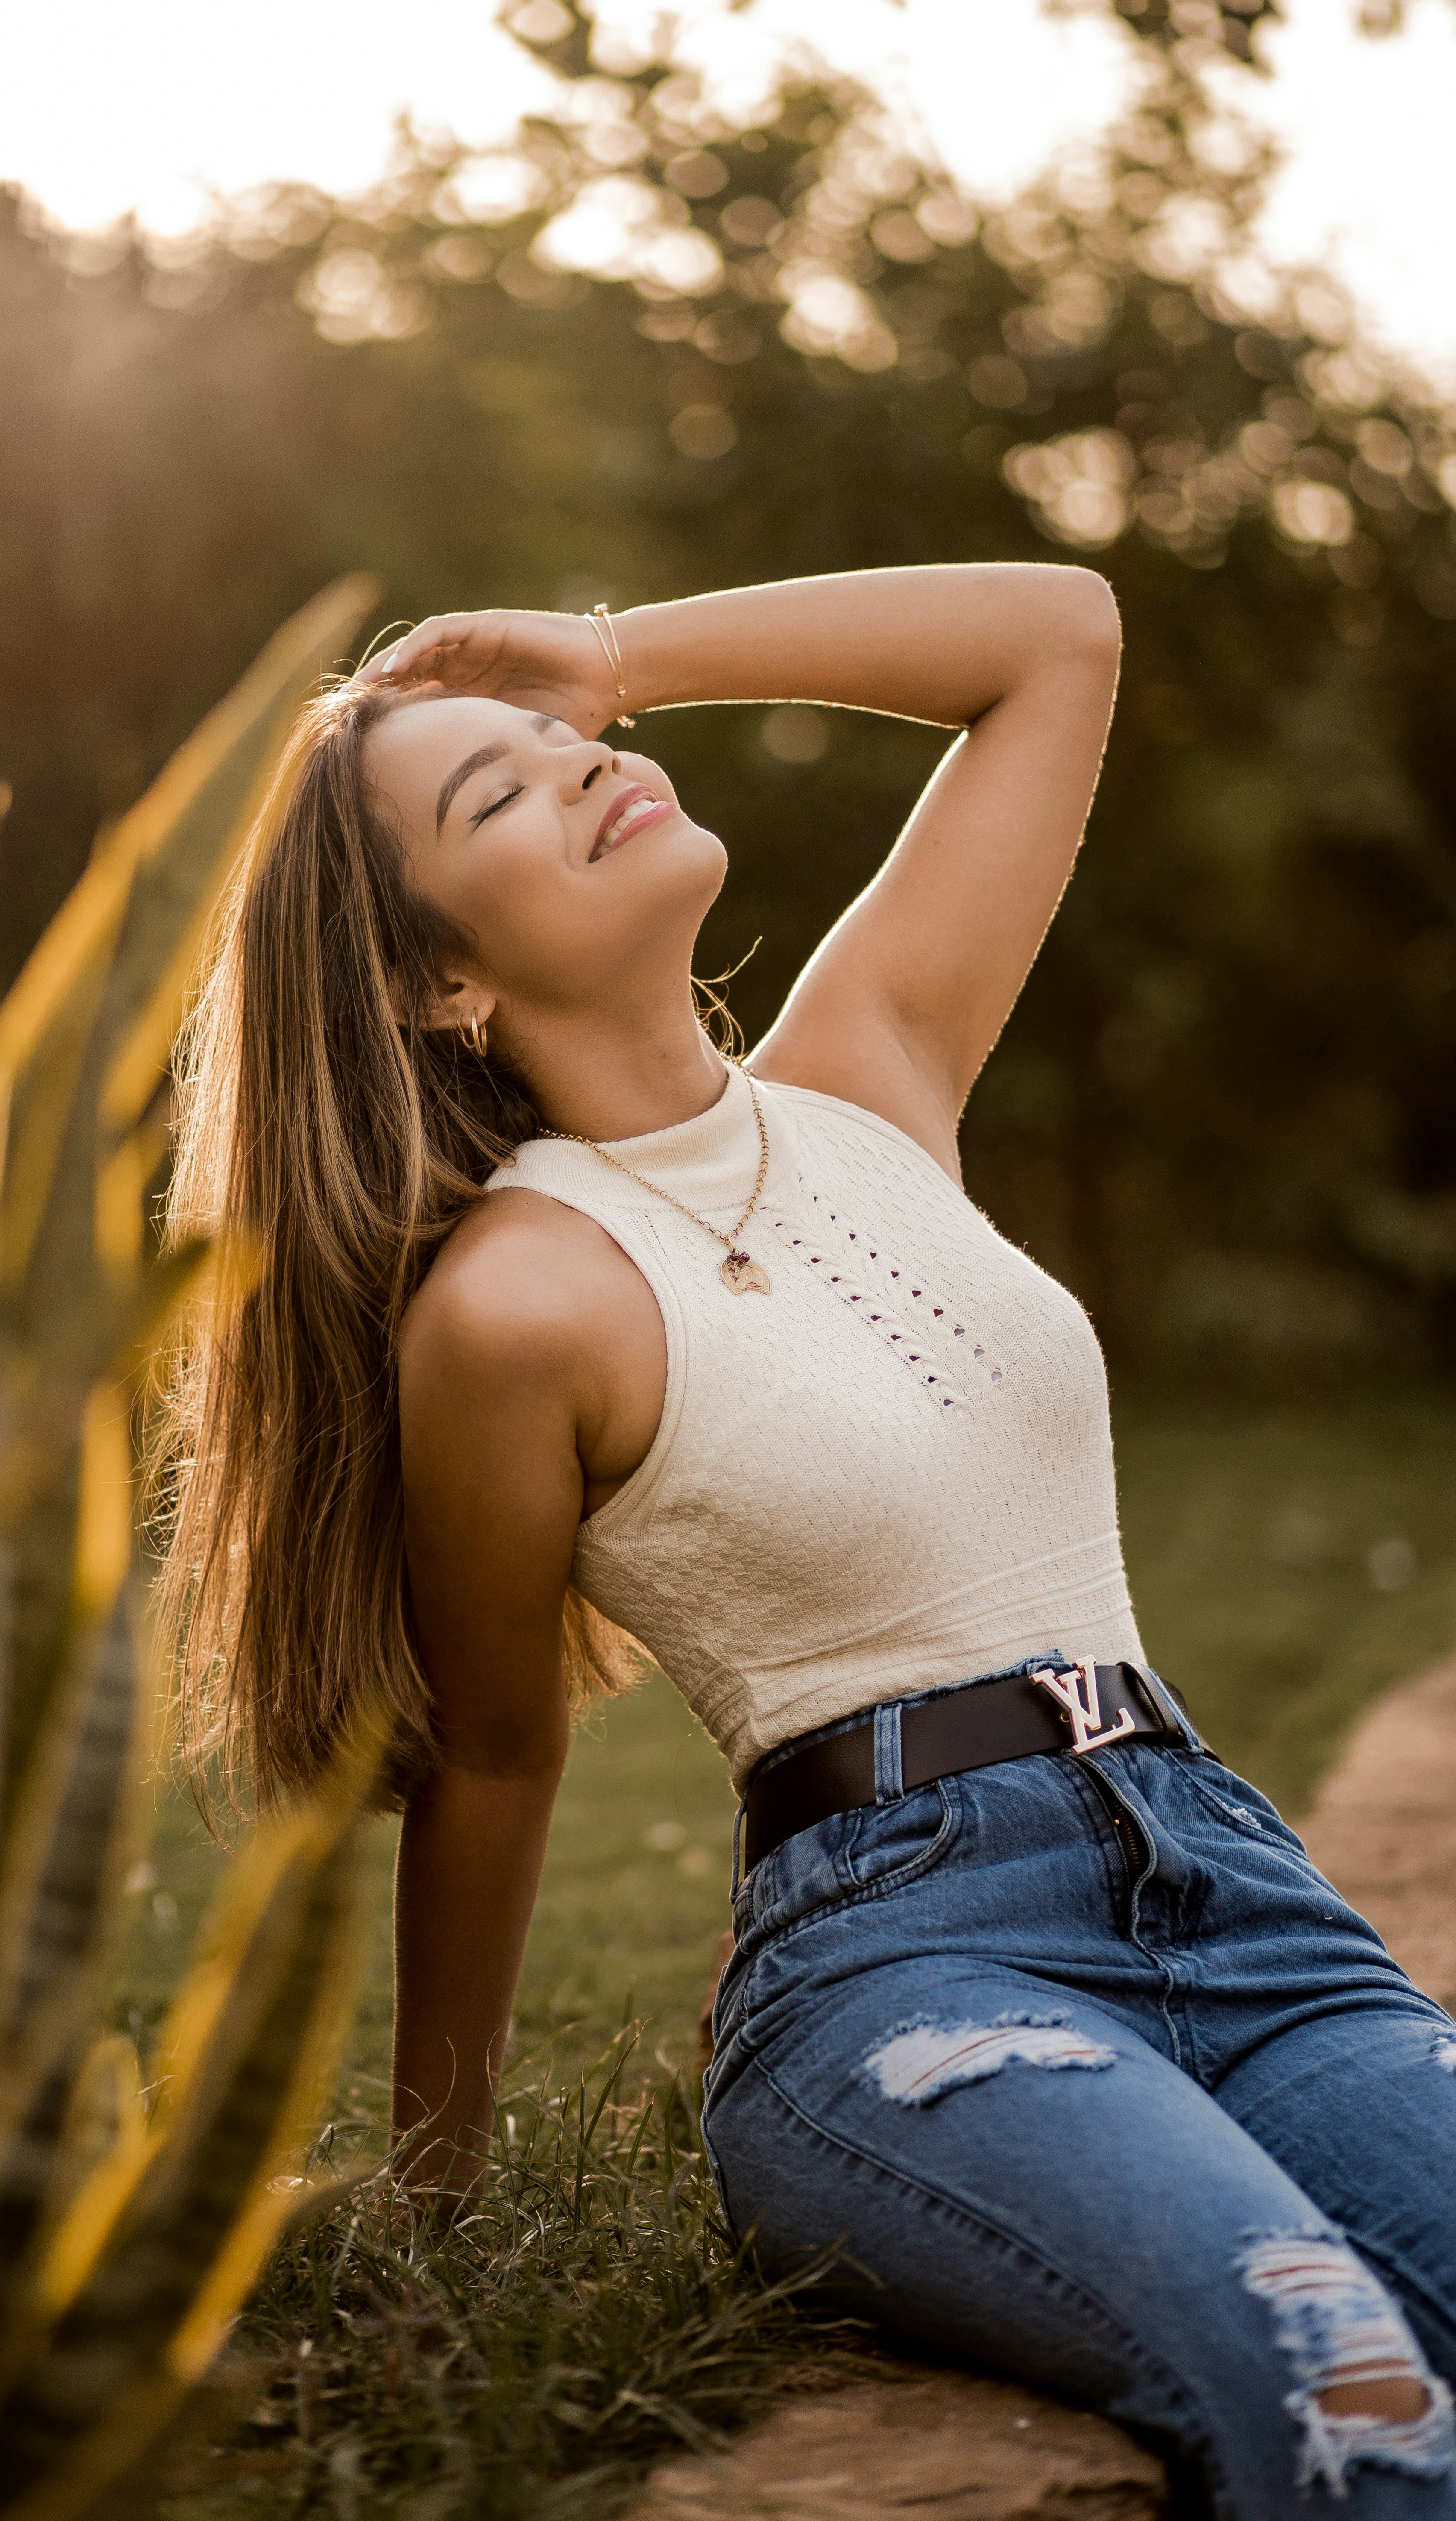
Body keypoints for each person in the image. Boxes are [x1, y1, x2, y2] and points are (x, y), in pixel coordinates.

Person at [162, 571, 1456, 2512]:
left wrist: (607, 646)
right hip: (906, 1972)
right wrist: (439, 2186)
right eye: (499, 799)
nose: (586, 764)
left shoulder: (868, 1070)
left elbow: (1055, 635)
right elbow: (495, 1760)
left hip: (1231, 1885)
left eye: (571, 739)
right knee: (1349, 2395)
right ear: (446, 986)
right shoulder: (520, 1305)